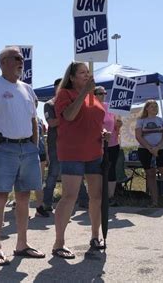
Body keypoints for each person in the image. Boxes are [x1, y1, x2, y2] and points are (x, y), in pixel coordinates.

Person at [0, 46, 45, 266]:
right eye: (16, 58)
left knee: (24, 197)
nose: (21, 61)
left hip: (28, 149)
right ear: (3, 62)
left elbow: (34, 119)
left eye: (22, 59)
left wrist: (34, 146)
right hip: (5, 149)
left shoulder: (27, 88)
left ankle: (21, 245)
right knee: (1, 197)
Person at [52, 62, 109, 259]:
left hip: (94, 151)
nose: (87, 75)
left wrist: (102, 132)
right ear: (72, 77)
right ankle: (59, 243)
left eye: (88, 72)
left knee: (97, 196)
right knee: (70, 196)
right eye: (82, 73)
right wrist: (85, 92)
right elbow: (68, 116)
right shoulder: (65, 94)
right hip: (72, 152)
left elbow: (94, 121)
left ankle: (95, 236)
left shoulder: (94, 97)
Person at [42, 78, 89, 213]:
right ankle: (47, 203)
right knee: (53, 174)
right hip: (56, 144)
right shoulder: (49, 104)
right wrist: (69, 117)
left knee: (76, 172)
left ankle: (84, 201)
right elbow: (51, 123)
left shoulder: (72, 102)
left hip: (72, 143)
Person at [135, 100, 163, 208]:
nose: (154, 108)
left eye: (156, 106)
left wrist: (157, 148)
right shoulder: (141, 121)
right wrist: (150, 148)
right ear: (147, 108)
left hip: (161, 150)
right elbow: (139, 136)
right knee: (150, 175)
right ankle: (154, 202)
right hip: (145, 151)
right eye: (152, 106)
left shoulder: (162, 120)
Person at [94, 86, 122, 206]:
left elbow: (115, 126)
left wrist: (118, 125)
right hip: (97, 144)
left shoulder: (109, 107)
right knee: (98, 170)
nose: (103, 95)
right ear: (94, 94)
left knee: (111, 169)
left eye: (104, 93)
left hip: (113, 143)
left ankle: (110, 197)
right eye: (100, 93)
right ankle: (98, 196)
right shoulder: (91, 107)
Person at [34, 101, 49, 217]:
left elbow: (43, 138)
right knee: (25, 180)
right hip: (29, 153)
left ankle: (40, 206)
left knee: (40, 180)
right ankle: (18, 204)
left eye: (35, 102)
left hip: (41, 152)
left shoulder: (39, 120)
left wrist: (47, 155)